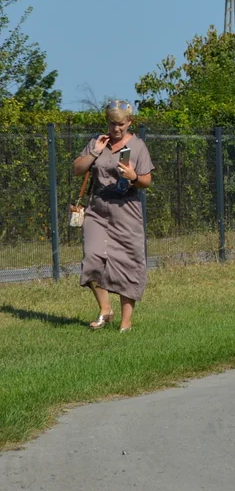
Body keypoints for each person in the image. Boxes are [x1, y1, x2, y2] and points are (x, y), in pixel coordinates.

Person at [73, 100, 155, 332]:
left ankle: (126, 323)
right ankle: (105, 309)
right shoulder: (98, 142)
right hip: (97, 211)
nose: (116, 128)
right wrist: (94, 153)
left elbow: (146, 181)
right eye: (112, 123)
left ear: (130, 122)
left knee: (128, 263)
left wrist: (133, 176)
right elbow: (77, 169)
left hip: (126, 212)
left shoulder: (138, 147)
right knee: (92, 257)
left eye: (121, 124)